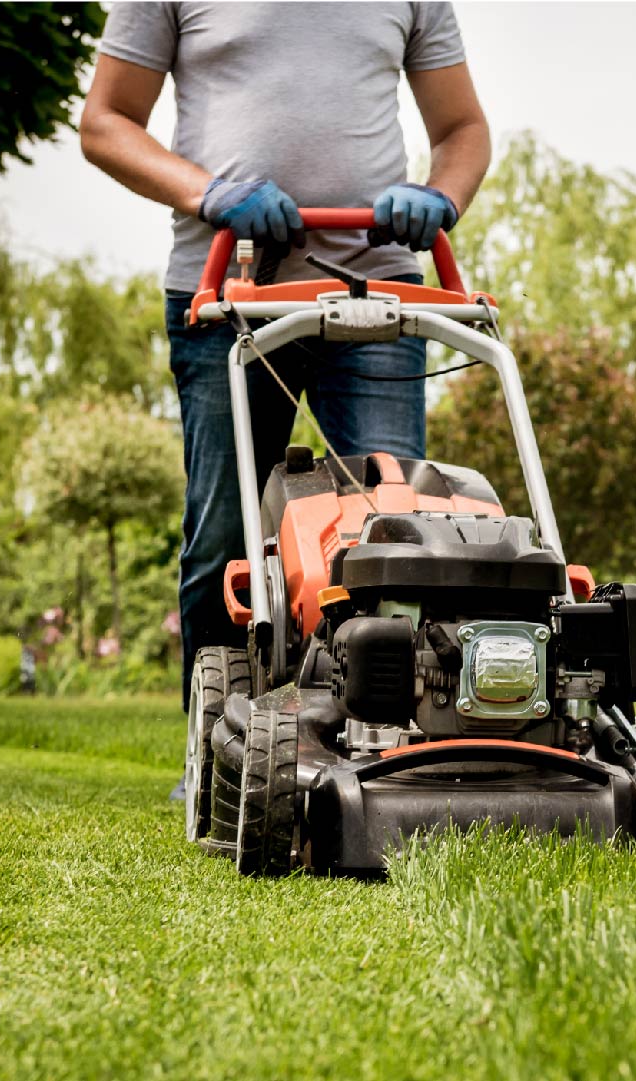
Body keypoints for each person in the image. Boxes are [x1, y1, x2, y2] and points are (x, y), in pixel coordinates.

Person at [81, 3, 492, 699]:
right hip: (229, 292)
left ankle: (397, 738)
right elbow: (105, 122)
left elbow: (463, 129)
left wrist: (439, 194)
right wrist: (206, 191)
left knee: (398, 524)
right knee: (225, 537)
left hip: (378, 292)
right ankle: (216, 739)